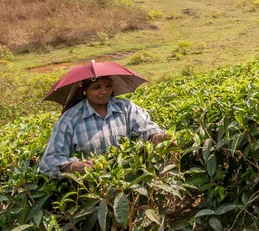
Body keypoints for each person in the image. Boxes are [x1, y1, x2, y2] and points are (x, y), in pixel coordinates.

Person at [39, 76, 170, 178]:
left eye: (108, 85)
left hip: (128, 179)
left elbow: (146, 127)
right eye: (96, 87)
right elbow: (49, 160)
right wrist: (74, 166)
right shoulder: (70, 119)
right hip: (92, 188)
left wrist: (157, 137)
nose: (104, 91)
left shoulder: (125, 108)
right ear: (84, 91)